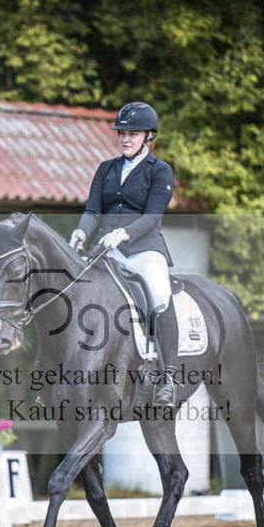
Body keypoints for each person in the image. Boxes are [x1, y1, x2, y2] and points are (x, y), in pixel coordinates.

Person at [69, 101, 178, 406]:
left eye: (133, 133)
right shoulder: (106, 169)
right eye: (122, 133)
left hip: (143, 248)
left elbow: (152, 216)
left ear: (148, 137)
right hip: (107, 249)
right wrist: (81, 232)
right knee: (77, 293)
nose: (126, 139)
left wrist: (124, 233)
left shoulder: (160, 171)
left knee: (159, 295)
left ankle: (168, 377)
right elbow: (93, 209)